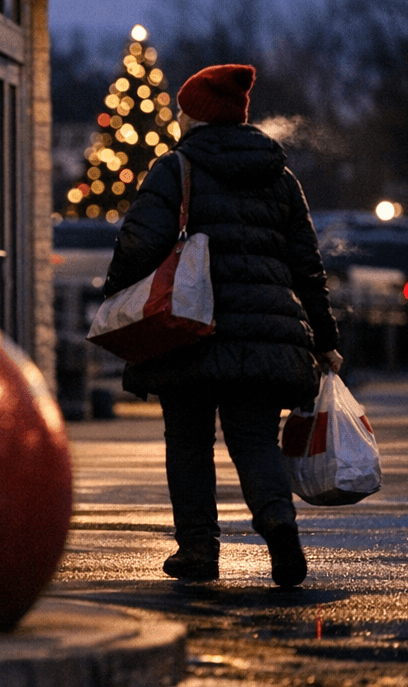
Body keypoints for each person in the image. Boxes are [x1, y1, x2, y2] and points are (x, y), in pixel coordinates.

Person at [102, 63, 342, 588]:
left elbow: (139, 244)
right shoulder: (280, 178)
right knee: (255, 439)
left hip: (188, 329)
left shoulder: (176, 169)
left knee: (187, 439)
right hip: (263, 339)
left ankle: (198, 550)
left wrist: (115, 295)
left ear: (196, 115)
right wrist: (325, 340)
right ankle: (278, 523)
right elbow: (308, 266)